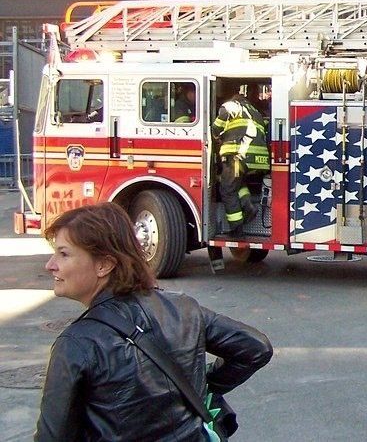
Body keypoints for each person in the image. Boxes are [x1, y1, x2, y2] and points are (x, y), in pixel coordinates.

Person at [36, 203, 273, 441]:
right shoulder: (184, 308)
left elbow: (52, 437)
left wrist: (199, 383)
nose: (50, 265)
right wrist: (198, 386)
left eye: (64, 254)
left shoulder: (76, 343)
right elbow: (255, 347)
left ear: (104, 265)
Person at [212, 86, 270, 235]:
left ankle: (236, 228)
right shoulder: (254, 111)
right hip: (258, 160)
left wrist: (215, 133)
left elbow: (216, 129)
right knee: (238, 183)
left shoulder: (232, 105)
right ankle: (247, 205)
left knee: (227, 190)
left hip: (238, 156)